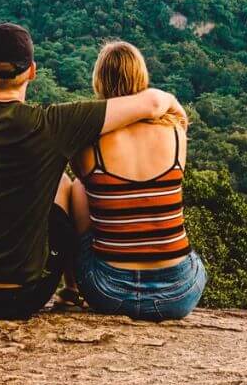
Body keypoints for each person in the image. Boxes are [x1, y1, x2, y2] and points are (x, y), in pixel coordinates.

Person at [0, 23, 188, 320]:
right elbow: (154, 102)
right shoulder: (52, 124)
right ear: (32, 71)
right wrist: (178, 113)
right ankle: (70, 290)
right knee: (63, 182)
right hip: (25, 296)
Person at [69, 41, 207, 321]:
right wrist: (164, 102)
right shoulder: (176, 133)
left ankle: (70, 290)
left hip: (109, 293)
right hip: (179, 293)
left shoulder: (86, 142)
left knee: (77, 188)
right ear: (141, 76)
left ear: (99, 80)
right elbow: (181, 116)